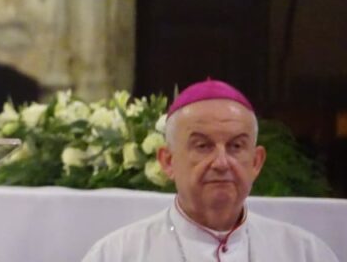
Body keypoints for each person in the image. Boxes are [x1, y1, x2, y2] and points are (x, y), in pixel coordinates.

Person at [82, 79, 339, 261]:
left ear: (256, 162)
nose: (221, 162)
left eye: (236, 146)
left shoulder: (305, 253)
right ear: (168, 161)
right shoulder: (117, 254)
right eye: (202, 146)